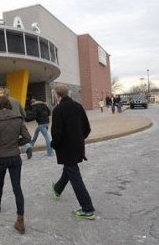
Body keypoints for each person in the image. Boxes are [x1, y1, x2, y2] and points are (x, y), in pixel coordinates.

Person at [0, 96, 31, 234]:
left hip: (0, 157)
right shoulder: (17, 118)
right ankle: (20, 220)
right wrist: (16, 144)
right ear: (9, 104)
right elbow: (27, 138)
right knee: (17, 187)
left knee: (0, 182)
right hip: (14, 156)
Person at [50, 84, 96, 220]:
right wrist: (79, 139)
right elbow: (87, 128)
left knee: (75, 177)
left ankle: (88, 209)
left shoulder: (58, 110)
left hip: (66, 148)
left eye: (54, 94)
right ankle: (57, 189)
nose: (53, 95)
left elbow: (57, 133)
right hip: (77, 146)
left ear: (57, 95)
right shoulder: (78, 106)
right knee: (69, 169)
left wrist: (54, 144)